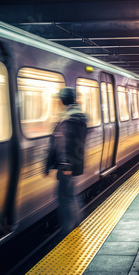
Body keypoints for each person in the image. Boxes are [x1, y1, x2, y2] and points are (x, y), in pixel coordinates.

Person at [51, 87, 88, 235]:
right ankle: (75, 222)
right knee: (69, 194)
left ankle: (70, 228)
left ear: (62, 100)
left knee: (66, 196)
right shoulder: (74, 115)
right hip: (70, 164)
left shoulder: (72, 117)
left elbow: (69, 143)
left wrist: (67, 165)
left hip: (68, 165)